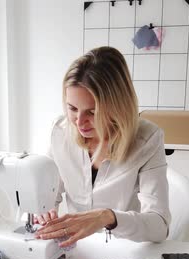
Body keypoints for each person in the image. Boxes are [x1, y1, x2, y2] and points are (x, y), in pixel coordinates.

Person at [34, 46, 170, 248]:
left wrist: (108, 217)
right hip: (77, 249)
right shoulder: (60, 132)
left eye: (92, 112)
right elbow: (47, 193)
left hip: (123, 249)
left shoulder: (147, 139)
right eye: (72, 108)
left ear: (117, 106)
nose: (79, 122)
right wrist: (41, 210)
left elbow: (160, 226)